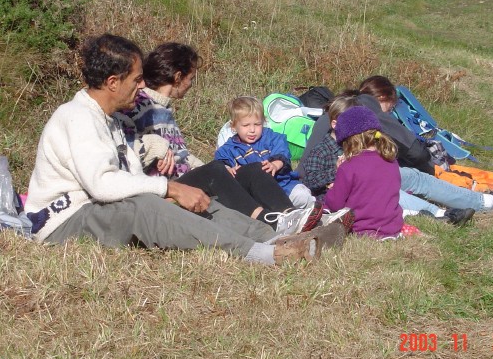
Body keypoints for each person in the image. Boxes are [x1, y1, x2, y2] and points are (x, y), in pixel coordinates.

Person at [24, 33, 322, 265]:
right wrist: (170, 189)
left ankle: (273, 237)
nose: (142, 86)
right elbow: (102, 184)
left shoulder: (110, 120)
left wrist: (176, 195)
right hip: (64, 224)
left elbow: (131, 175)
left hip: (100, 209)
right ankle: (261, 255)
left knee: (199, 199)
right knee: (149, 205)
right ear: (113, 82)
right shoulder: (77, 117)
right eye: (136, 79)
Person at [115, 42, 321, 236]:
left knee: (253, 169)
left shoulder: (163, 108)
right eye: (191, 78)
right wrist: (158, 147)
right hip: (165, 186)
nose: (191, 84)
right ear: (178, 77)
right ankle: (271, 222)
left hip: (185, 178)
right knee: (216, 170)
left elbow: (182, 157)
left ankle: (292, 215)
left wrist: (216, 170)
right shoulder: (138, 104)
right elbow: (123, 144)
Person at [300, 77, 493, 212]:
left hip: (363, 181)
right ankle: (443, 213)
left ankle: (485, 202)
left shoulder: (345, 122)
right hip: (344, 191)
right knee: (397, 188)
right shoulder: (348, 124)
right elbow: (315, 178)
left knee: (413, 177)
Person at [301, 94, 476, 225]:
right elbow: (309, 180)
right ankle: (441, 215)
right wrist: (337, 172)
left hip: (367, 188)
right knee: (386, 192)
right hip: (344, 198)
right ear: (335, 124)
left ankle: (480, 202)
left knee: (410, 177)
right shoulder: (322, 151)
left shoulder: (360, 142)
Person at [215, 96, 316, 210]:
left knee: (302, 196)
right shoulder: (229, 148)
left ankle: (313, 213)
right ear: (233, 126)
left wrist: (275, 164)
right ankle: (283, 217)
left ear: (263, 122)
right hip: (256, 194)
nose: (252, 130)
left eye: (257, 124)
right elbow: (220, 163)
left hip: (282, 184)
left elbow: (282, 153)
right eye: (246, 125)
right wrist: (227, 169)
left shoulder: (271, 137)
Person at [324, 106, 403, 240]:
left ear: (348, 141)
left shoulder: (348, 167)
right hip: (392, 227)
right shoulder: (391, 161)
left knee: (323, 210)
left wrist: (335, 181)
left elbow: (335, 204)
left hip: (362, 230)